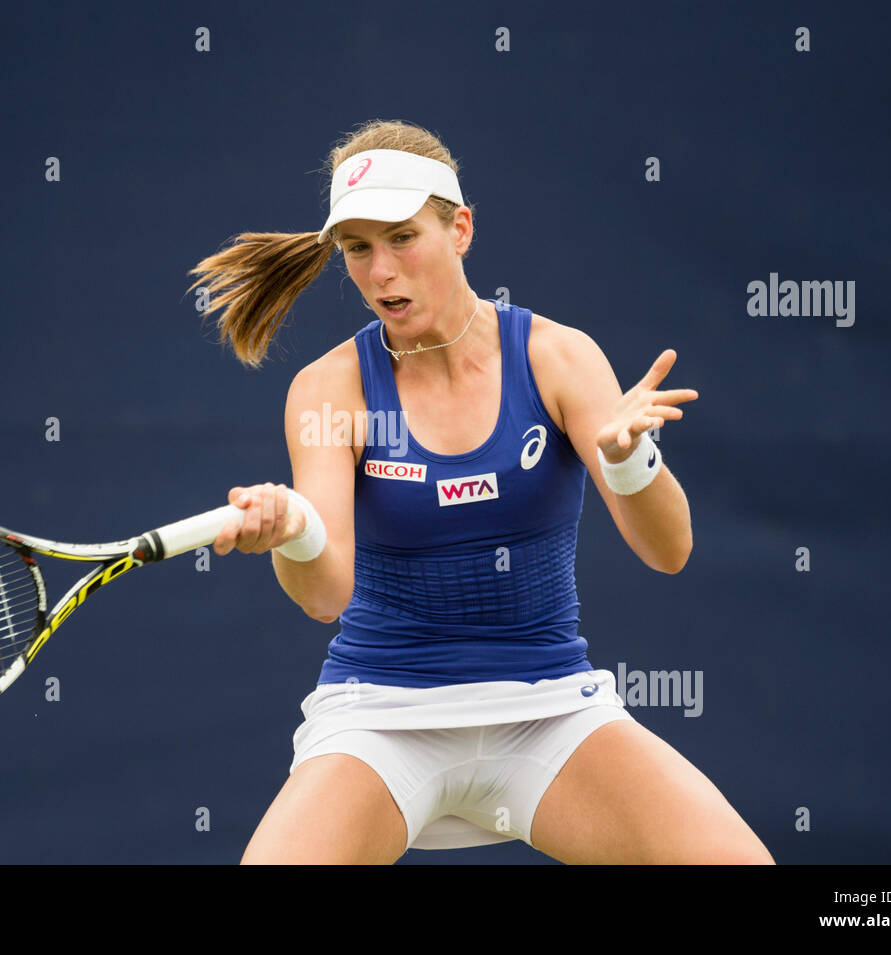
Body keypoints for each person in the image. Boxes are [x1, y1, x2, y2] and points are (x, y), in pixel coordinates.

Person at [186, 119, 774, 865]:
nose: (381, 271)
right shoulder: (330, 389)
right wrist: (292, 534)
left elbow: (670, 551)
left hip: (549, 712)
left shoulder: (558, 358)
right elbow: (324, 594)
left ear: (459, 227)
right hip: (382, 717)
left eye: (403, 237)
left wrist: (630, 463)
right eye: (358, 248)